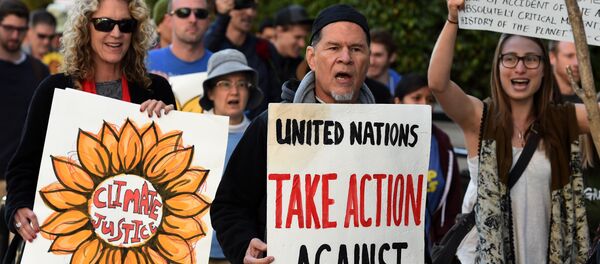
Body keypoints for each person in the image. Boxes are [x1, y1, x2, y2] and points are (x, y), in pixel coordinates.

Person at [428, 0, 596, 262]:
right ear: (498, 67)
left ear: (543, 69)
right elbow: (438, 84)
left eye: (530, 59)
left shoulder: (562, 119)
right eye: (510, 59)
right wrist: (452, 19)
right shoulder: (479, 119)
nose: (520, 68)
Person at [4, 0, 176, 248]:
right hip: (65, 241)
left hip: (135, 242)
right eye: (104, 24)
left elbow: (170, 174)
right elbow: (24, 166)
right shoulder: (54, 89)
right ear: (86, 28)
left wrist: (169, 125)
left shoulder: (155, 91)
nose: (115, 33)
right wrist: (18, 208)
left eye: (125, 25)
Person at [211, 4, 374, 264]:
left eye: (356, 49)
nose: (346, 57)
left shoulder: (393, 136)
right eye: (333, 48)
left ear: (369, 58)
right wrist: (243, 246)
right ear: (311, 57)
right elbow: (229, 206)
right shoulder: (272, 126)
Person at [200, 49, 263, 264]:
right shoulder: (190, 132)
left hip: (243, 253)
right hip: (195, 251)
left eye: (241, 84)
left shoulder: (263, 135)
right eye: (225, 84)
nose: (234, 92)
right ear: (210, 92)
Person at [393, 73, 461, 256]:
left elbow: (452, 199)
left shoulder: (442, 143)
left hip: (431, 250)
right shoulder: (382, 143)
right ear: (398, 103)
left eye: (429, 100)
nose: (425, 105)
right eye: (416, 98)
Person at [549, 40, 600, 245]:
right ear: (552, 57)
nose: (577, 62)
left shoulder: (590, 103)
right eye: (570, 56)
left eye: (580, 55)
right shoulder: (539, 102)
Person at [0, 0, 49, 199]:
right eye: (9, 28)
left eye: (20, 29)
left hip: (23, 182)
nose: (15, 35)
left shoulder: (39, 70)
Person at [204, 0, 281, 118]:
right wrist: (222, 17)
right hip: (215, 129)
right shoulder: (212, 45)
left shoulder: (264, 48)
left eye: (254, 7)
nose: (250, 12)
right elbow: (202, 50)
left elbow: (276, 93)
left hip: (260, 130)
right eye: (242, 5)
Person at [147, 0, 212, 77]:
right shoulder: (145, 63)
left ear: (208, 20)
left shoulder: (219, 65)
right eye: (183, 13)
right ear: (169, 19)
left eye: (200, 13)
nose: (193, 20)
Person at [271, 4, 312, 82]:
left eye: (304, 38)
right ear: (279, 31)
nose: (302, 44)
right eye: (297, 37)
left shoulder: (300, 66)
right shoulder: (258, 60)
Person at [367, 28, 402, 95]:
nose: (371, 62)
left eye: (378, 55)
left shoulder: (403, 87)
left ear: (392, 57)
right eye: (368, 54)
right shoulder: (350, 85)